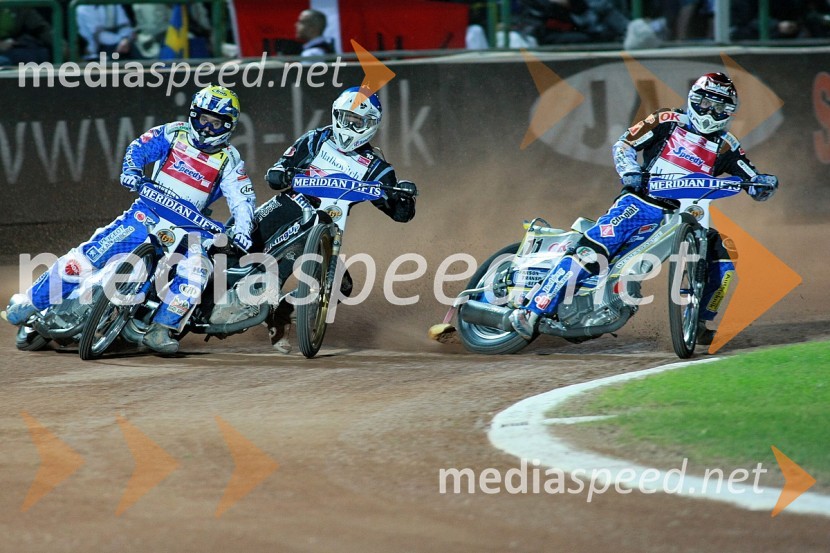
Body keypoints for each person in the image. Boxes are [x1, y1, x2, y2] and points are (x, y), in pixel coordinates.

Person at [509, 72, 779, 346]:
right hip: (641, 202)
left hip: (687, 214)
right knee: (592, 251)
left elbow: (751, 178)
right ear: (693, 99)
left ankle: (697, 322)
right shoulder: (667, 119)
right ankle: (532, 311)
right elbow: (625, 143)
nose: (711, 111)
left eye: (720, 106)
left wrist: (763, 184)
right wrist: (629, 170)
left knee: (724, 254)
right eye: (706, 103)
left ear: (729, 112)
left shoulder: (727, 145)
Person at [5, 85, 256, 355]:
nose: (207, 128)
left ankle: (161, 329)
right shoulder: (174, 133)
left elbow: (243, 200)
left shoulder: (230, 160)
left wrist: (242, 231)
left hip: (190, 229)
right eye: (203, 119)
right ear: (193, 115)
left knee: (198, 270)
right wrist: (132, 170)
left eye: (216, 123)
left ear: (229, 126)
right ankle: (32, 302)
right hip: (145, 213)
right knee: (86, 258)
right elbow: (140, 147)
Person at [260, 86, 417, 353]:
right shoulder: (315, 139)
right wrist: (281, 174)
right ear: (336, 115)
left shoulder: (376, 167)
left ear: (371, 126)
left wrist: (405, 197)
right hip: (287, 208)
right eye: (347, 118)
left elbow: (400, 214)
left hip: (325, 229)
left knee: (341, 287)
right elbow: (276, 172)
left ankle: (282, 312)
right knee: (237, 241)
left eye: (359, 122)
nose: (351, 126)